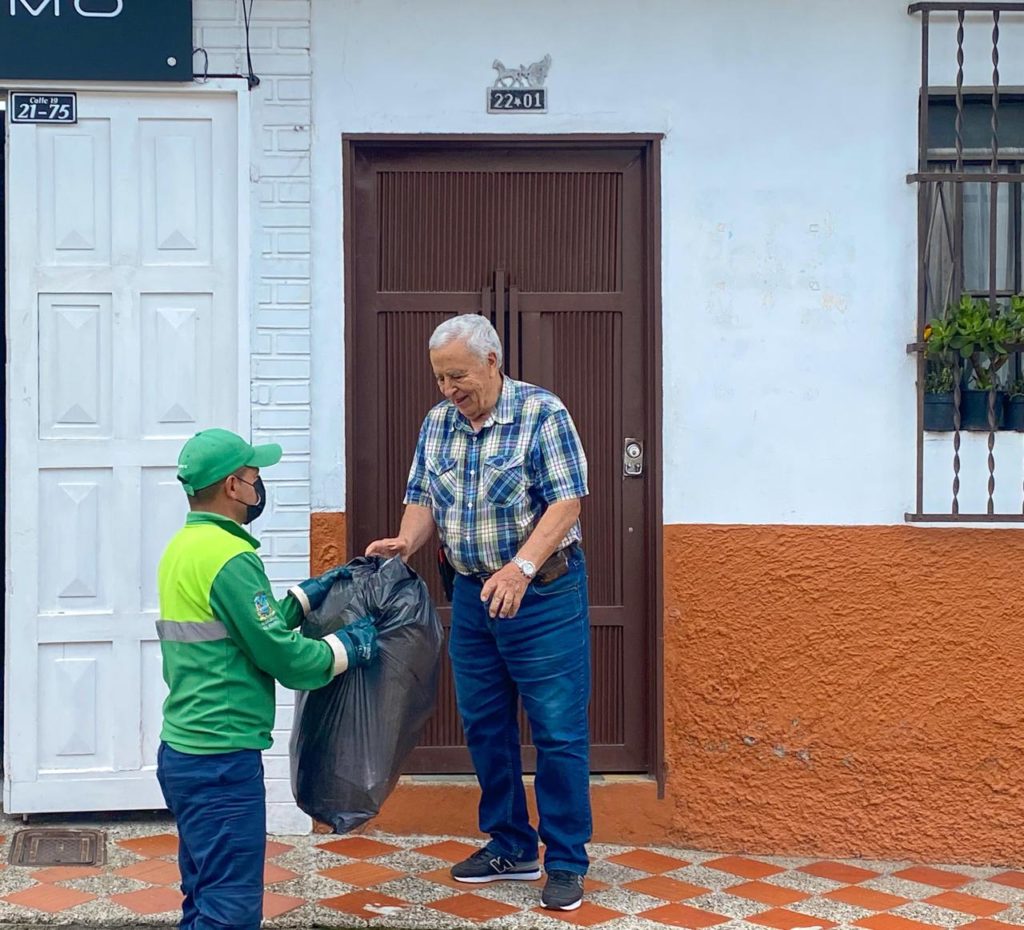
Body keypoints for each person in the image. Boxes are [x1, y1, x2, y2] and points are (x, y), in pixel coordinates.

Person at [366, 314, 592, 911]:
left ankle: (566, 859)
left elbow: (567, 503)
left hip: (542, 592)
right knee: (485, 725)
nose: (448, 390)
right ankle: (511, 845)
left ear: (493, 361)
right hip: (470, 594)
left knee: (557, 732)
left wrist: (519, 568)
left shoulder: (543, 414)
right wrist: (405, 543)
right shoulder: (438, 423)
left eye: (457, 376)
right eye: (440, 378)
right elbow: (422, 497)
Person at [156, 428, 379, 930]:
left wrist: (304, 597)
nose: (260, 486)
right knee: (229, 911)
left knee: (202, 895)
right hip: (221, 762)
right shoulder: (231, 559)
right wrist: (349, 647)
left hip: (184, 751)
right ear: (233, 486)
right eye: (255, 477)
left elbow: (239, 632)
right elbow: (284, 657)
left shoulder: (184, 548)